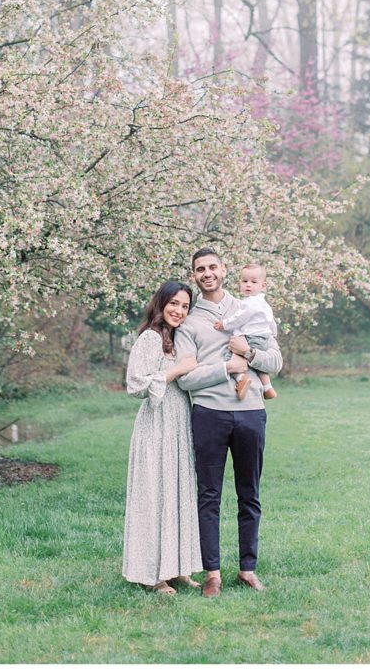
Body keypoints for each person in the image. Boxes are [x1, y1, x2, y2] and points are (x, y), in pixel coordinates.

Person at [174, 248, 283, 597]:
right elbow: (185, 380)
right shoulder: (189, 323)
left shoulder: (252, 308)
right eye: (199, 269)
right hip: (209, 413)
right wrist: (225, 368)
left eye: (212, 267)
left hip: (251, 413)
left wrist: (248, 354)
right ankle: (213, 573)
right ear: (194, 276)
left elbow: (275, 361)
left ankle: (247, 569)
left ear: (224, 270)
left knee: (249, 493)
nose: (207, 273)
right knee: (209, 495)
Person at [122, 281, 203, 595]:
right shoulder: (150, 338)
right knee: (155, 497)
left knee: (177, 494)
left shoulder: (177, 339)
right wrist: (175, 370)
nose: (179, 311)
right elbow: (136, 385)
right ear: (160, 303)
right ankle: (153, 575)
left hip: (178, 424)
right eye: (174, 304)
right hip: (155, 427)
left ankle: (178, 568)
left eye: (185, 306)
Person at [213, 262, 278, 401]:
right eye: (244, 281)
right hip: (263, 338)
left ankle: (241, 378)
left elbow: (239, 319)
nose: (248, 285)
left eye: (254, 282)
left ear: (263, 286)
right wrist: (272, 334)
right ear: (239, 283)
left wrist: (224, 324)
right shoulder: (264, 304)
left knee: (228, 356)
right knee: (259, 365)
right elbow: (271, 321)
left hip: (251, 338)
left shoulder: (249, 303)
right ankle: (267, 387)